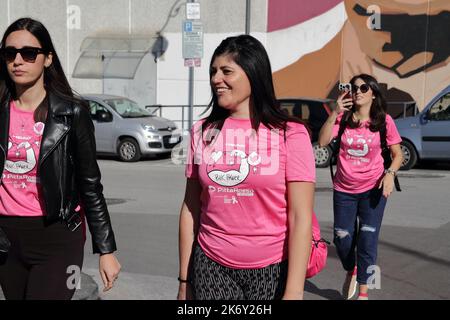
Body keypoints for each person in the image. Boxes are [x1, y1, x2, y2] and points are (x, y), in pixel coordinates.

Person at [177, 35, 315, 300]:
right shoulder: (202, 133)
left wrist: (294, 291)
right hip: (211, 265)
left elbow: (300, 217)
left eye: (226, 71)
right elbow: (190, 208)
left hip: (272, 268)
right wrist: (185, 281)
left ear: (253, 73)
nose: (216, 78)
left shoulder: (291, 134)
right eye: (213, 71)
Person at [0, 18, 121, 300]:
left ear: (47, 58)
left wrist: (106, 250)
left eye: (29, 53)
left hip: (57, 238)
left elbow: (90, 184)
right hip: (6, 238)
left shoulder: (72, 113)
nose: (18, 60)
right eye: (9, 53)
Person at [318, 74, 403, 300]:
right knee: (342, 238)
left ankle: (364, 293)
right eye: (353, 88)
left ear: (373, 93)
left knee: (367, 237)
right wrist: (334, 112)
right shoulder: (343, 118)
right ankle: (351, 269)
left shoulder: (384, 121)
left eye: (363, 88)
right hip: (344, 190)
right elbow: (323, 142)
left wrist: (389, 174)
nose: (357, 91)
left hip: (373, 190)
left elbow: (398, 154)